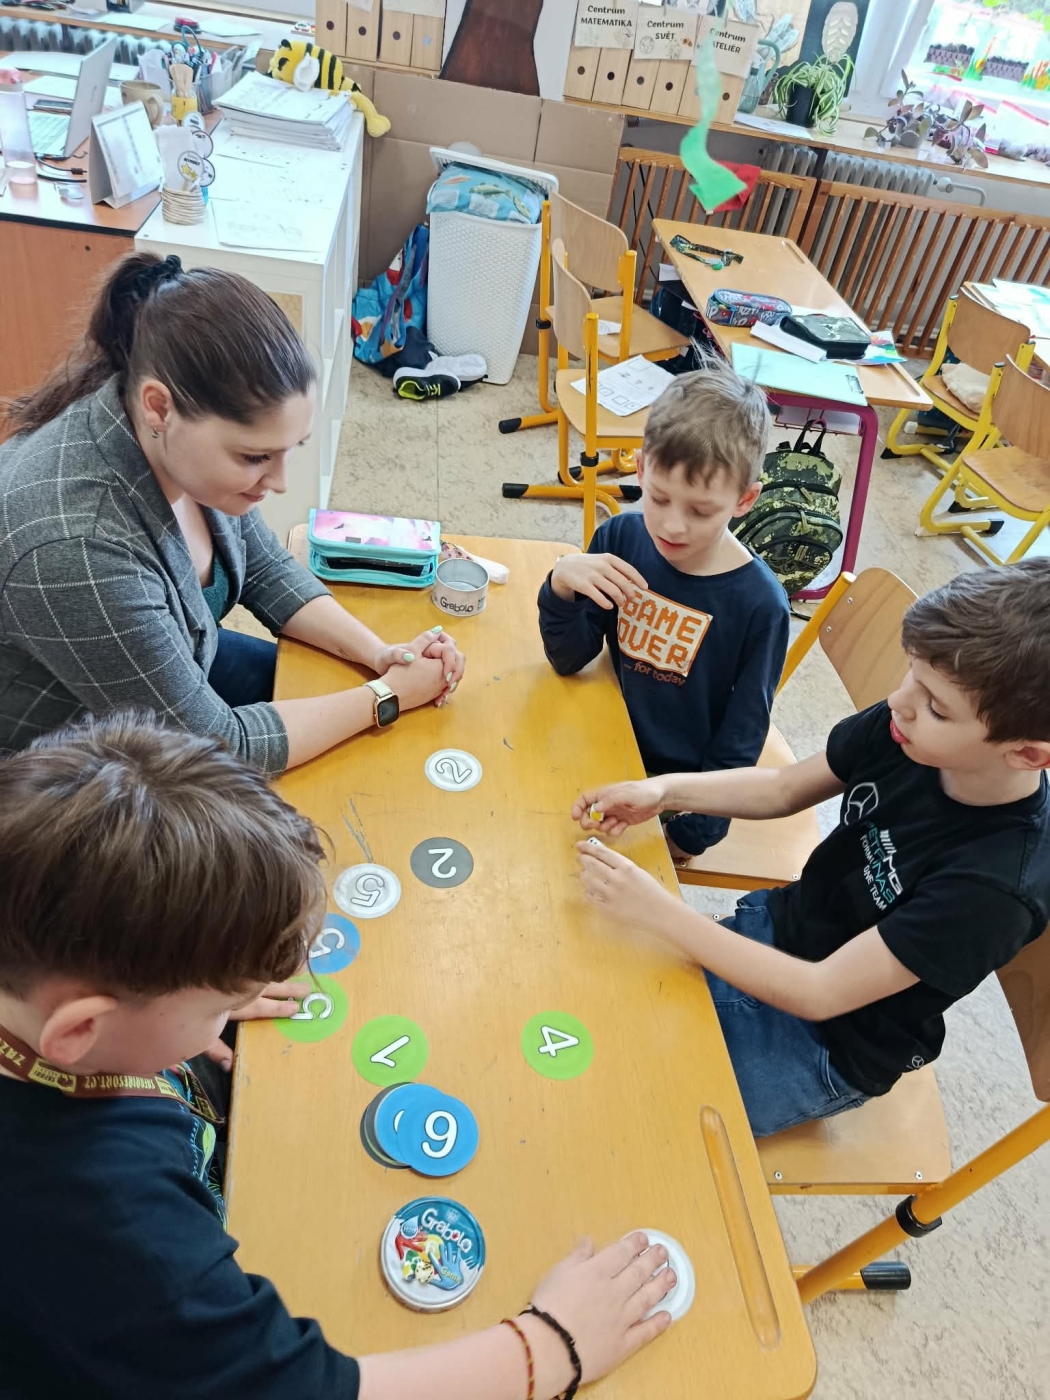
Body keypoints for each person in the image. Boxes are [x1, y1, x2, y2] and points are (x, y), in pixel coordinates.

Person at [0, 714, 675, 1398]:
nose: (238, 1006)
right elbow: (304, 1389)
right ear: (79, 1030)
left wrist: (177, 1011)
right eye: (219, 1003)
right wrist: (551, 1345)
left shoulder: (35, 979)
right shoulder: (114, 1225)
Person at [572, 561, 1050, 1138]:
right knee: (590, 1014)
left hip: (825, 1040)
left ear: (1028, 754)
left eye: (937, 707)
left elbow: (819, 993)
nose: (899, 701)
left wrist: (659, 911)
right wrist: (666, 792)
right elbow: (782, 788)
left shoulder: (994, 888)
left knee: (630, 1113)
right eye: (911, 673)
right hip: (780, 930)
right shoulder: (909, 727)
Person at [0, 252, 465, 772]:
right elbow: (217, 750)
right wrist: (387, 696)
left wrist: (380, 654)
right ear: (159, 407)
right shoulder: (75, 548)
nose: (280, 481)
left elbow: (264, 566)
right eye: (255, 457)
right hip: (49, 772)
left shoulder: (173, 440)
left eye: (290, 449)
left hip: (175, 662)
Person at [536, 361, 789, 860]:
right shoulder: (621, 537)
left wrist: (685, 837)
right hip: (599, 738)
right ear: (640, 467)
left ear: (745, 500)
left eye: (701, 510)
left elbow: (740, 743)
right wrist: (560, 584)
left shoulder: (760, 605)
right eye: (658, 498)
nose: (672, 526)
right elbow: (568, 659)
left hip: (673, 796)